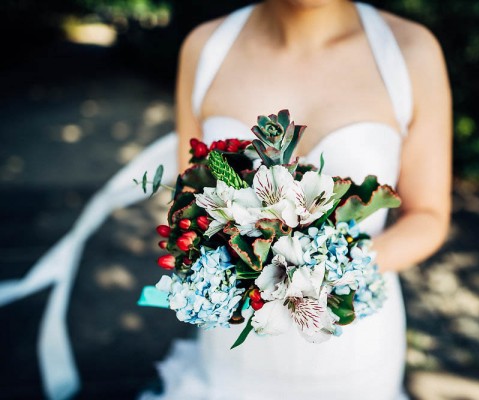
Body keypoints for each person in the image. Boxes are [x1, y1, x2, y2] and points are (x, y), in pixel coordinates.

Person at [143, 0, 452, 399]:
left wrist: (320, 269)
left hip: (353, 351)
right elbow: (192, 199)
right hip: (235, 350)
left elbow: (428, 216)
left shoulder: (411, 50)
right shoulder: (205, 48)